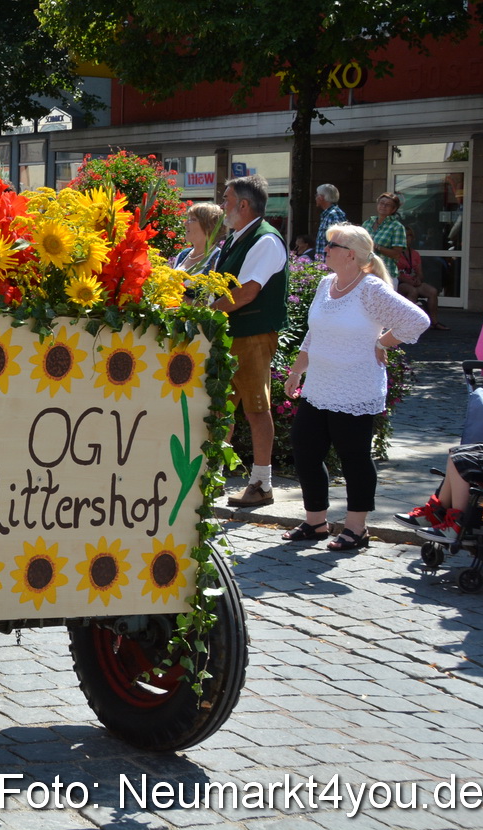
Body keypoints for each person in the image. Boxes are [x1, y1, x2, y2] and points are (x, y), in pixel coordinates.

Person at [281, 224, 430, 550]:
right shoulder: (325, 284)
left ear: (351, 254)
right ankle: (315, 522)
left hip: (355, 389)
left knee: (354, 458)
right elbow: (314, 333)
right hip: (319, 385)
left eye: (332, 244)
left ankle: (356, 528)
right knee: (305, 449)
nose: (325, 247)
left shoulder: (370, 289)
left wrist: (384, 342)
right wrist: (296, 371)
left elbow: (417, 321)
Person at [218, 174, 290, 508]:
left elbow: (247, 293)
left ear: (244, 205)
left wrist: (204, 310)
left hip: (253, 335)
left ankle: (262, 484)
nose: (223, 205)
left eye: (227, 199)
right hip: (233, 333)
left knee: (256, 408)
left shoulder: (265, 240)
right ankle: (214, 475)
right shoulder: (237, 238)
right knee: (222, 407)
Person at [172, 202, 226, 272]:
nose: (185, 223)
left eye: (192, 219)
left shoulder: (218, 259)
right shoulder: (182, 255)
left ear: (209, 225)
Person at [312, 184, 347, 260]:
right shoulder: (328, 214)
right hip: (324, 265)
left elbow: (338, 241)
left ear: (321, 197)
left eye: (316, 195)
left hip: (330, 265)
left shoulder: (333, 214)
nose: (315, 198)